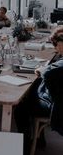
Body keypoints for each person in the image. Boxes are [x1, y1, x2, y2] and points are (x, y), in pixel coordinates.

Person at [14, 27, 63, 155]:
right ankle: (39, 138)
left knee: (20, 107)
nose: (55, 49)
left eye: (56, 45)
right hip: (56, 101)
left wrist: (42, 70)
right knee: (31, 92)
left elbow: (49, 75)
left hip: (56, 107)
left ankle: (25, 146)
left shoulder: (57, 68)